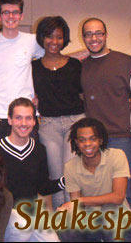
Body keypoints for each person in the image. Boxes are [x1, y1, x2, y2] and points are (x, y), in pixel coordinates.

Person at [80, 17, 131, 242]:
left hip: (122, 139)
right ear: (83, 38)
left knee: (127, 197)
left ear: (106, 35)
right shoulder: (83, 65)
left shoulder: (125, 61)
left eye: (98, 33)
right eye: (88, 34)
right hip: (92, 143)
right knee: (98, 196)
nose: (94, 38)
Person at [0, 98, 65, 242]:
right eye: (18, 118)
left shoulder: (39, 149)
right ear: (9, 120)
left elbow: (43, 187)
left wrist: (65, 181)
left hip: (31, 214)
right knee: (22, 226)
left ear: (34, 121)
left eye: (28, 118)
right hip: (3, 215)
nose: (24, 123)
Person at [32, 16, 85, 209]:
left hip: (75, 123)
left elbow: (84, 94)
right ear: (42, 38)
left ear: (65, 39)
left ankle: (73, 223)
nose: (54, 41)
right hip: (48, 126)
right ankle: (60, 227)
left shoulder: (75, 65)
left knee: (70, 174)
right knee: (55, 176)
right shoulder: (34, 67)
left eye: (59, 37)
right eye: (49, 36)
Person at [0, 0, 45, 144]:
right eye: (6, 12)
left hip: (26, 116)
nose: (11, 16)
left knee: (28, 164)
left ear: (21, 16)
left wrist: (87, 52)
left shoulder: (33, 41)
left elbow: (54, 60)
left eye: (15, 12)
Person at [58, 117, 130, 242]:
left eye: (93, 139)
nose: (87, 144)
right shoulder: (70, 166)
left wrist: (81, 200)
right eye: (82, 140)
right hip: (89, 218)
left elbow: (118, 197)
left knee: (110, 210)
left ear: (100, 140)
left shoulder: (117, 155)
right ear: (76, 142)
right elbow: (75, 202)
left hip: (117, 214)